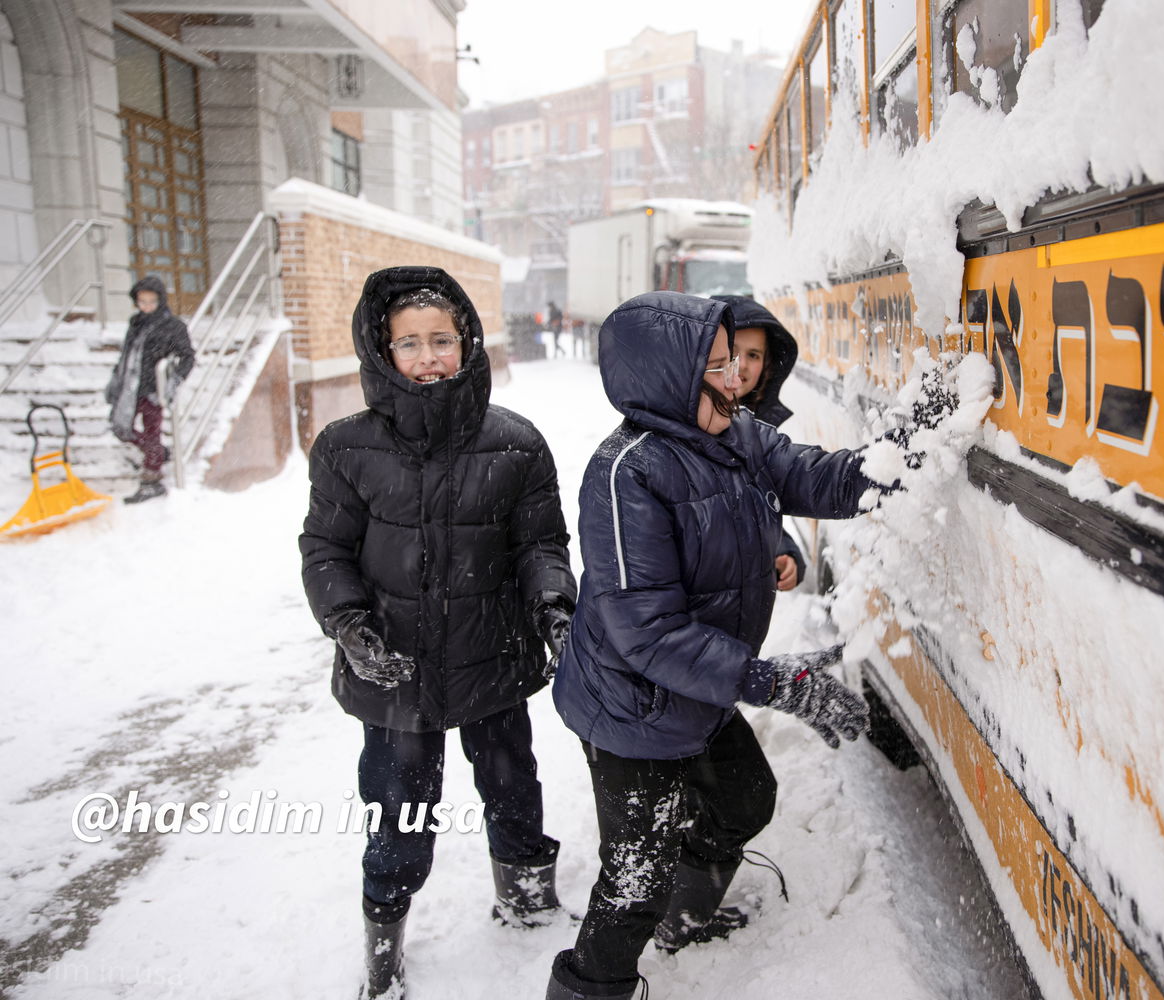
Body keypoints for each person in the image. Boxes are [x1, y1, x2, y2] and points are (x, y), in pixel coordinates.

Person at [544, 292, 879, 1000]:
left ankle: (684, 919)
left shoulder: (739, 438)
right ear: (668, 378)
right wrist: (779, 685)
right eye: (718, 365)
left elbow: (822, 478)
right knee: (637, 873)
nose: (738, 379)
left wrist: (908, 453)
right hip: (630, 705)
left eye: (738, 363)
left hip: (698, 683)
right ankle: (592, 985)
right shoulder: (624, 473)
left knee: (745, 798)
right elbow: (649, 631)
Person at [299, 266, 577, 1000]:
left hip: (493, 654)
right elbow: (325, 549)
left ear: (468, 343)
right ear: (381, 352)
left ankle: (526, 896)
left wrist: (553, 605)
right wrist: (349, 625)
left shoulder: (516, 444)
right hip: (393, 667)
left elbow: (540, 545)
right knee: (400, 806)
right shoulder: (345, 447)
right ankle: (384, 948)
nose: (428, 357)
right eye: (409, 343)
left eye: (442, 340)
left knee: (512, 782)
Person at [712, 294, 806, 592]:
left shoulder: (753, 430)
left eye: (754, 355)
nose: (741, 365)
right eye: (731, 351)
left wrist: (781, 549)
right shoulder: (692, 426)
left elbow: (754, 508)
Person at [104, 275, 195, 504]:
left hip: (154, 388)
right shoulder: (135, 323)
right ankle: (158, 453)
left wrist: (173, 380)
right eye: (142, 301)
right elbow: (127, 355)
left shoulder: (172, 326)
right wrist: (116, 381)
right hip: (130, 388)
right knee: (120, 426)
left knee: (151, 431)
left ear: (161, 300)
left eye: (151, 301)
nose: (146, 306)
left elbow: (187, 356)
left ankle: (152, 479)